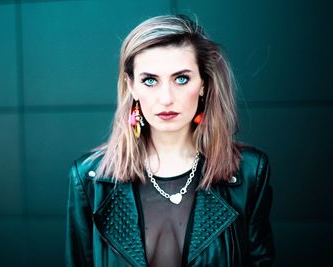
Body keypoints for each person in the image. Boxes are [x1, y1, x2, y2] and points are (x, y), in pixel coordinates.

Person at [65, 15, 274, 267]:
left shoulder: (249, 172)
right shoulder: (91, 179)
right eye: (150, 80)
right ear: (131, 86)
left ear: (203, 84)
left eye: (181, 78)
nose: (166, 98)